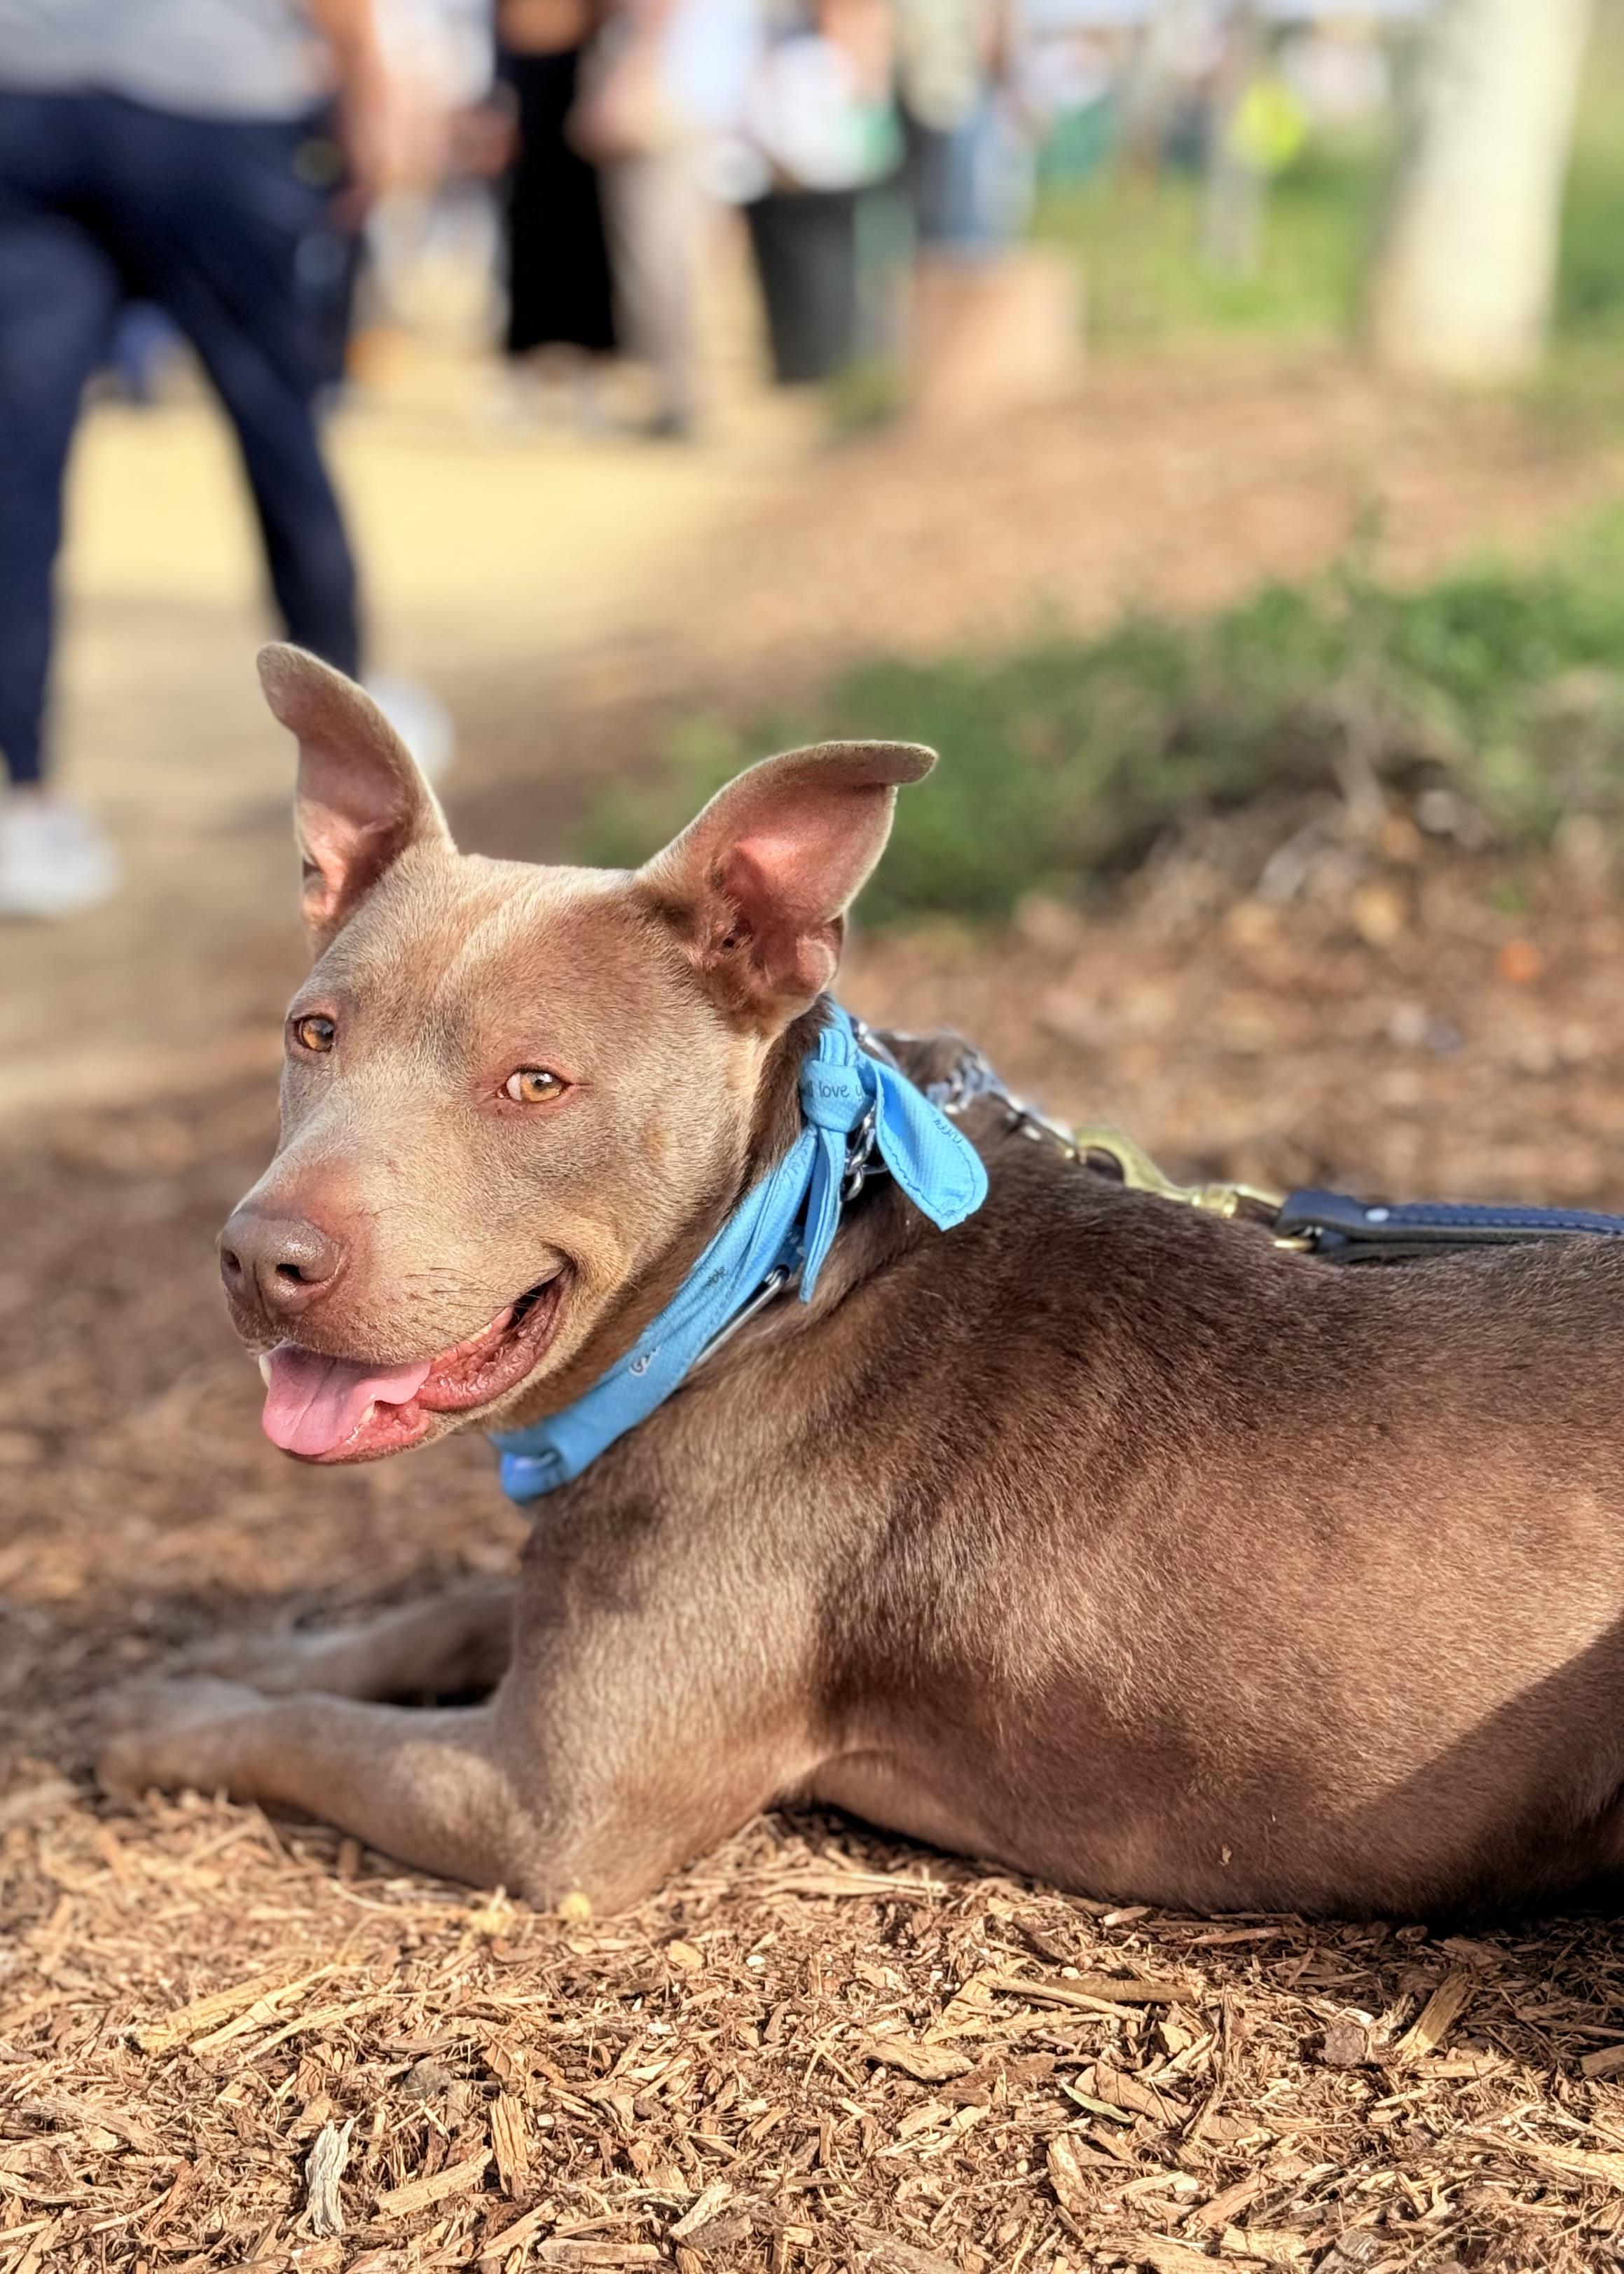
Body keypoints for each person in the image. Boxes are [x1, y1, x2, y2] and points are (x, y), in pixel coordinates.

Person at [0, 0, 397, 918]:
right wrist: (368, 101)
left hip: (25, 102)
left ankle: (27, 799)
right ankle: (361, 764)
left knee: (15, 466)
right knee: (276, 422)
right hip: (206, 101)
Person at [498, 0, 618, 417]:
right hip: (528, 104)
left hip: (581, 98)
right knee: (525, 234)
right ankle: (524, 366)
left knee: (588, 235)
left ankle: (593, 370)